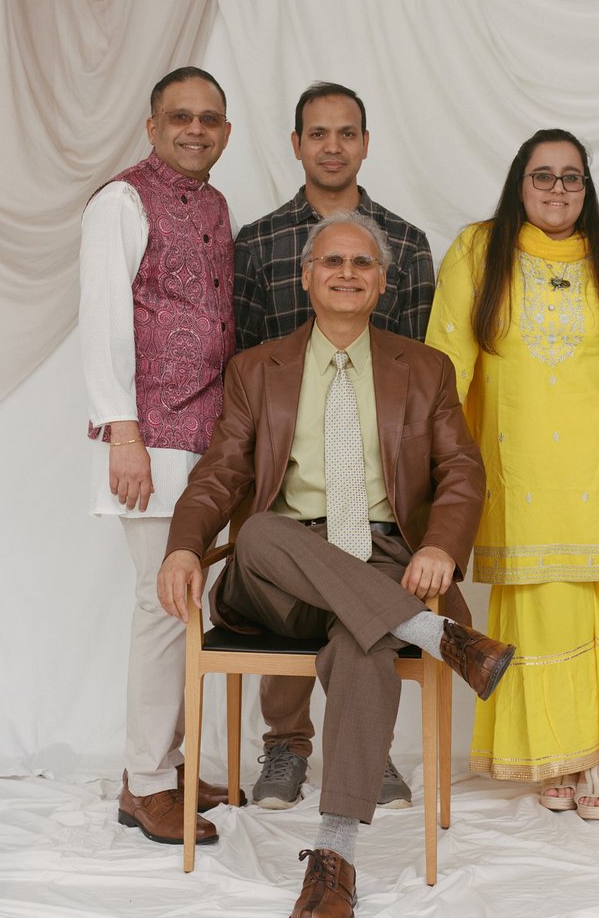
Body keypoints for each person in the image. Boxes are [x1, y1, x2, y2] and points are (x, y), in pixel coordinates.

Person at [157, 211, 515, 917]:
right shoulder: (258, 370)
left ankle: (334, 860)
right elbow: (220, 473)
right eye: (332, 262)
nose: (346, 273)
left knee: (363, 641)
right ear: (306, 276)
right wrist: (183, 543)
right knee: (259, 529)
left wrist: (441, 546)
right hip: (279, 568)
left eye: (361, 264)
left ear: (383, 281)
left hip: (384, 559)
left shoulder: (426, 369)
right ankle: (438, 637)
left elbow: (463, 470)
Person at [426, 128, 599, 820]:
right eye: (543, 175)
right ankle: (558, 758)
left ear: (587, 188)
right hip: (523, 469)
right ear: (518, 184)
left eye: (572, 177)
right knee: (547, 610)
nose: (558, 189)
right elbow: (447, 352)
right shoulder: (478, 249)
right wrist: (437, 443)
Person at [234, 82, 436, 811]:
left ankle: (365, 746)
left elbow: (413, 369)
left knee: (357, 579)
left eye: (346, 132)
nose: (331, 145)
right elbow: (244, 356)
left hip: (372, 476)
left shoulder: (405, 244)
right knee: (290, 546)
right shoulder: (258, 242)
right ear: (295, 144)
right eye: (316, 132)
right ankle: (287, 748)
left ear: (365, 142)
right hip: (287, 466)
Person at [78, 66, 238, 846]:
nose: (195, 129)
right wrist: (124, 433)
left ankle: (164, 767)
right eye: (180, 116)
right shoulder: (122, 201)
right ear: (152, 126)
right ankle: (145, 785)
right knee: (162, 605)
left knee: (187, 606)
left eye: (209, 118)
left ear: (226, 132)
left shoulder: (214, 204)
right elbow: (104, 316)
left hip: (208, 437)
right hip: (150, 438)